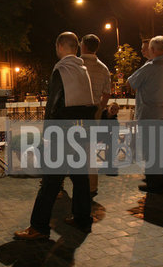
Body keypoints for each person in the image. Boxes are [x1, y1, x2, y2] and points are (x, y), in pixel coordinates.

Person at [14, 32, 96, 240]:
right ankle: (82, 218)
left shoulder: (61, 69)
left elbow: (53, 104)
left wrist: (47, 134)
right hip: (81, 130)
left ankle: (39, 227)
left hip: (62, 131)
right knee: (80, 178)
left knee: (51, 181)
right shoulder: (82, 69)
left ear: (60, 46)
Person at [127, 36, 163, 193]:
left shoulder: (150, 67)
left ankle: (154, 184)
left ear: (152, 50)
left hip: (149, 114)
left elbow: (131, 82)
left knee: (150, 150)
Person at [80, 34, 111, 198]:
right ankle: (92, 187)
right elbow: (106, 93)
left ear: (83, 45)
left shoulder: (76, 65)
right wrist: (100, 108)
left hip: (76, 111)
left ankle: (74, 184)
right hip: (94, 111)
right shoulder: (103, 68)